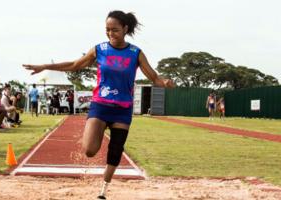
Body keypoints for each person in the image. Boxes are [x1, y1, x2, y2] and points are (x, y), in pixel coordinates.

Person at [23, 10, 174, 199]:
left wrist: (165, 82)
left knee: (116, 148)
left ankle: (103, 190)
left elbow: (153, 77)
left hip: (123, 109)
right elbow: (74, 65)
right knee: (89, 150)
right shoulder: (99, 49)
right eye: (107, 30)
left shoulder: (136, 53)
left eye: (115, 30)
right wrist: (46, 66)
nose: (110, 33)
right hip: (101, 106)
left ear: (125, 29)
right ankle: (97, 130)